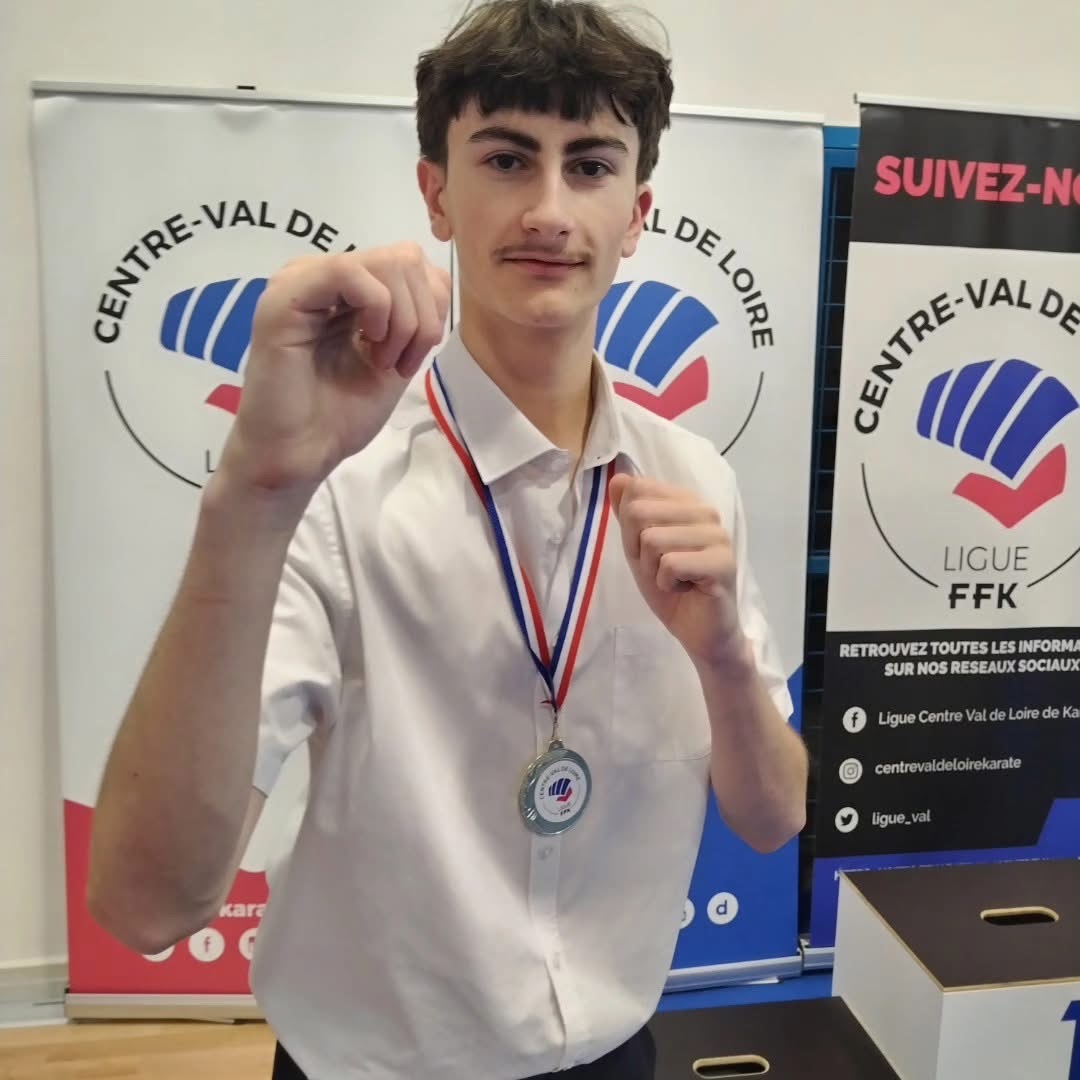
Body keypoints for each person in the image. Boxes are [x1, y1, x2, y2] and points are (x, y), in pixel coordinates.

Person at [86, 1, 809, 1077]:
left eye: (591, 165)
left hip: (615, 1055)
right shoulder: (335, 484)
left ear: (638, 212)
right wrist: (253, 496)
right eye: (508, 159)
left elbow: (771, 819)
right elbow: (146, 907)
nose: (550, 210)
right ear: (437, 194)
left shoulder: (693, 480)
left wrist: (723, 662)